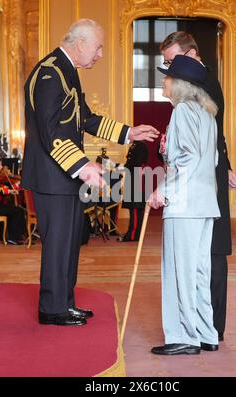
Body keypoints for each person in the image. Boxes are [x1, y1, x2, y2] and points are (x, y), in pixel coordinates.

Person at [21, 19, 159, 327]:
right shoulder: (50, 73)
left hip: (64, 174)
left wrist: (128, 133)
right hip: (51, 175)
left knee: (70, 242)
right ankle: (52, 309)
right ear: (80, 43)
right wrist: (82, 165)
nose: (99, 55)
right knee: (58, 243)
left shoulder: (67, 72)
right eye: (97, 48)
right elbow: (50, 130)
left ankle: (64, 303)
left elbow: (86, 119)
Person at [160, 32, 236, 341]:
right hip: (206, 181)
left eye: (173, 62)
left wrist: (163, 189)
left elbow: (201, 148)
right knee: (201, 261)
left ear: (191, 55)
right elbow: (212, 140)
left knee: (204, 258)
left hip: (196, 187)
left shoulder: (199, 92)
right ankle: (207, 331)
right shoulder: (199, 99)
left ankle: (198, 332)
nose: (168, 71)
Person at [149, 55, 220, 355]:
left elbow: (188, 159)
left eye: (167, 77)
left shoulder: (182, 112)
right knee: (199, 271)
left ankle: (183, 336)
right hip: (205, 203)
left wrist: (163, 190)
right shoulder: (207, 114)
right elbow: (211, 159)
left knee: (180, 271)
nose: (163, 81)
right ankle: (206, 332)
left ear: (180, 84)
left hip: (184, 203)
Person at [0, 156, 26, 245]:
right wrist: (10, 190)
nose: (1, 166)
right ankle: (13, 237)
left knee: (15, 209)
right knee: (17, 210)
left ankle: (12, 236)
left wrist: (10, 189)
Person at [118, 141, 148, 242]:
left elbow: (137, 163)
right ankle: (131, 233)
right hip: (133, 177)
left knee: (135, 209)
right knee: (133, 209)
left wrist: (123, 167)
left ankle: (133, 235)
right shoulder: (136, 145)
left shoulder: (141, 145)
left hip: (137, 179)